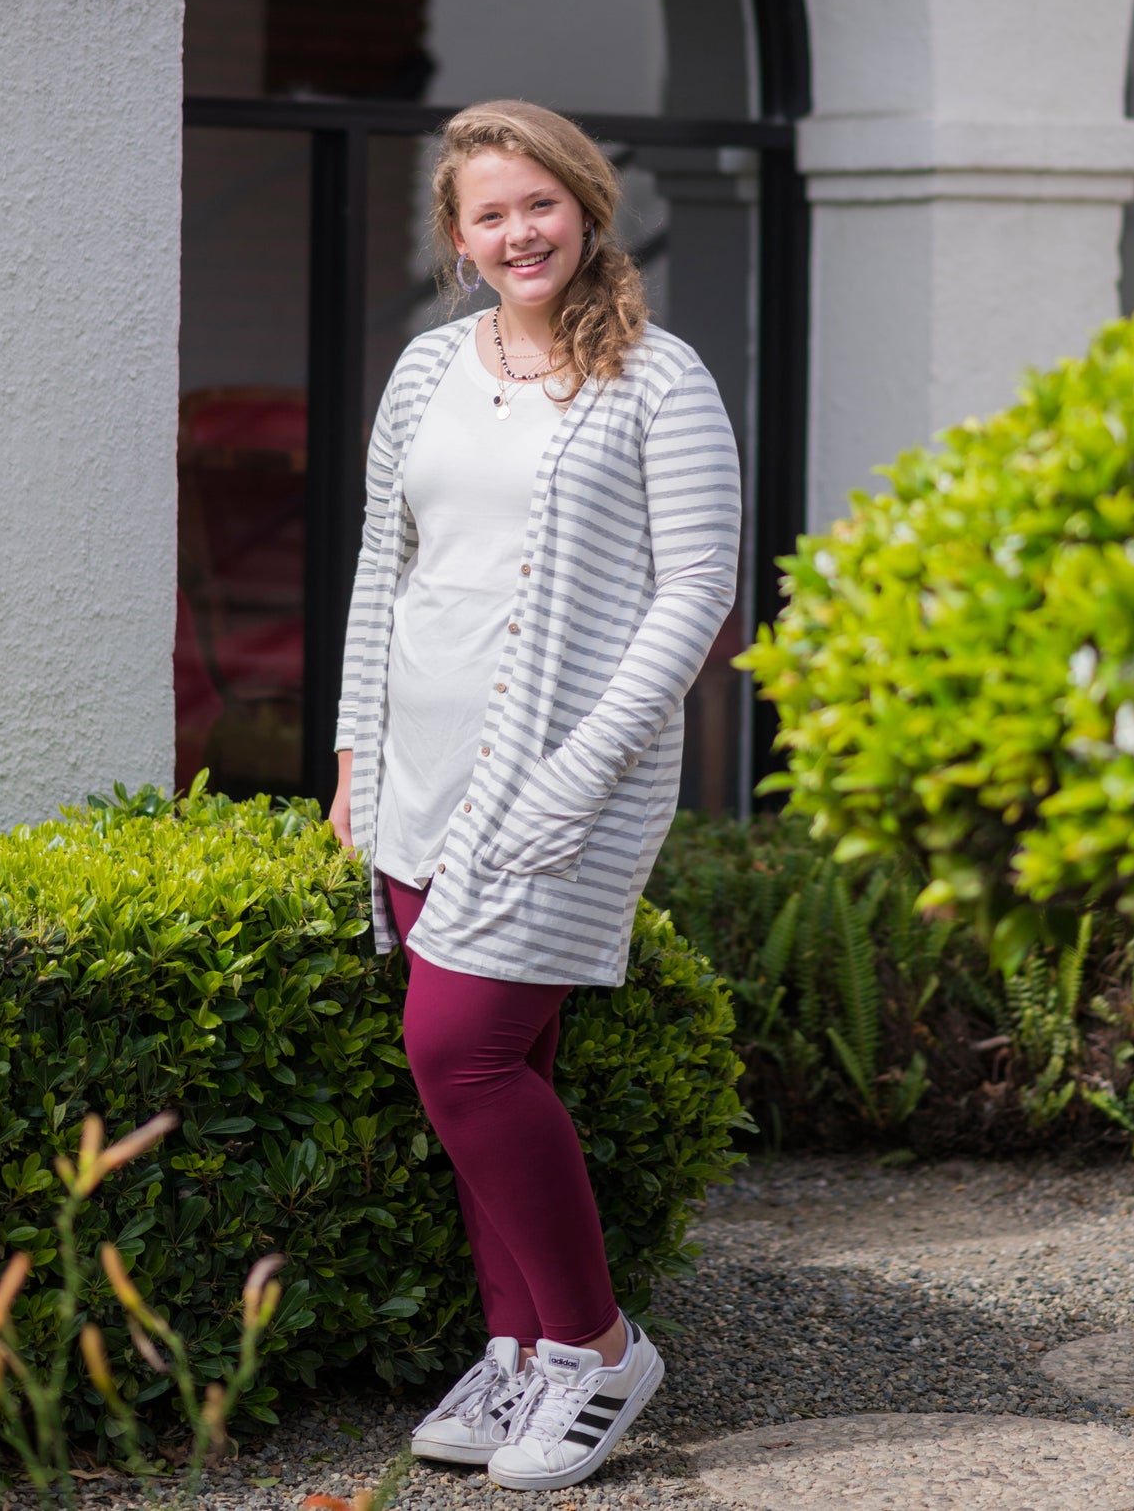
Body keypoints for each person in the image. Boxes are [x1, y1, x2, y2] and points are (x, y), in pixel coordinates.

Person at [328, 98, 741, 1491]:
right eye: (490, 214)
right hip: (417, 778)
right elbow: (382, 571)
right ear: (457, 236)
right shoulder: (427, 371)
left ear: (586, 207)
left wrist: (577, 770)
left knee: (462, 1051)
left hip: (568, 783)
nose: (519, 232)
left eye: (540, 204)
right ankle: (520, 1357)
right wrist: (351, 755)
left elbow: (693, 592)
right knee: (501, 1077)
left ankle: (599, 1347)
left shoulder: (659, 379)